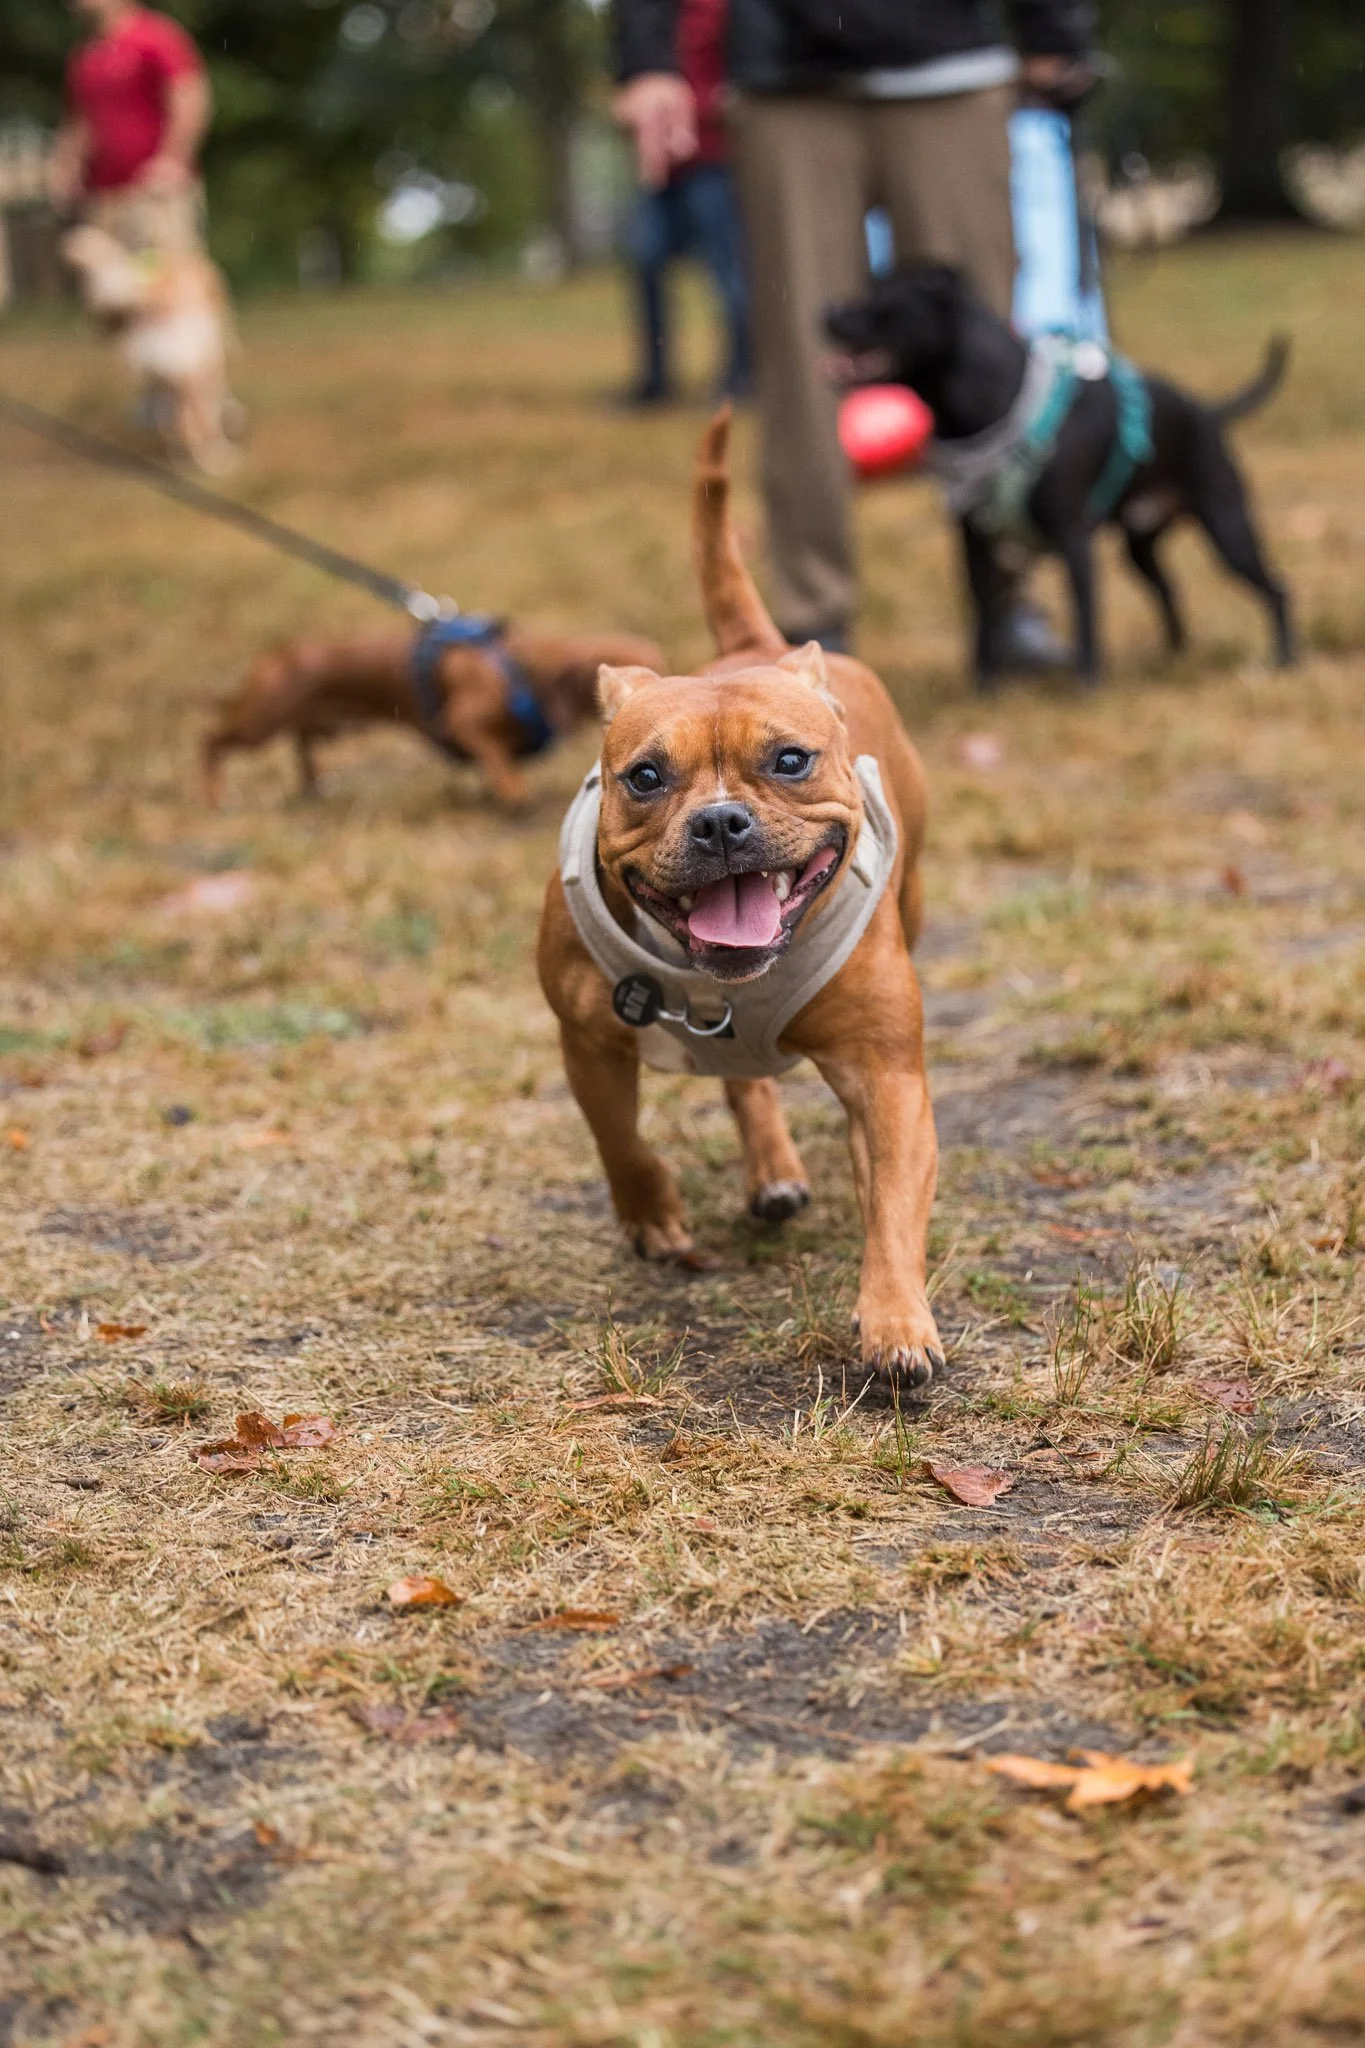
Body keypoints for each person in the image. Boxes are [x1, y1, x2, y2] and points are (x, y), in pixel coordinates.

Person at [613, 0, 1096, 656]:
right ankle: (811, 624)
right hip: (784, 75)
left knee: (986, 362)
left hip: (950, 67)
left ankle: (1006, 606)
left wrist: (1054, 31)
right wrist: (646, 58)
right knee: (800, 362)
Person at [618, 0, 752, 406]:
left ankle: (741, 378)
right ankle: (655, 381)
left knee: (729, 273)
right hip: (663, 169)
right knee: (645, 258)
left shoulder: (733, 13)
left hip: (716, 161)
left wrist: (699, 111)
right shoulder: (652, 17)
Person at [49, 0, 212, 259]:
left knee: (167, 281)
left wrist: (173, 160)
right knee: (113, 289)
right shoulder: (86, 54)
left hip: (154, 194)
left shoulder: (156, 36)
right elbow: (80, 121)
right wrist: (67, 166)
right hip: (103, 196)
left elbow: (189, 96)